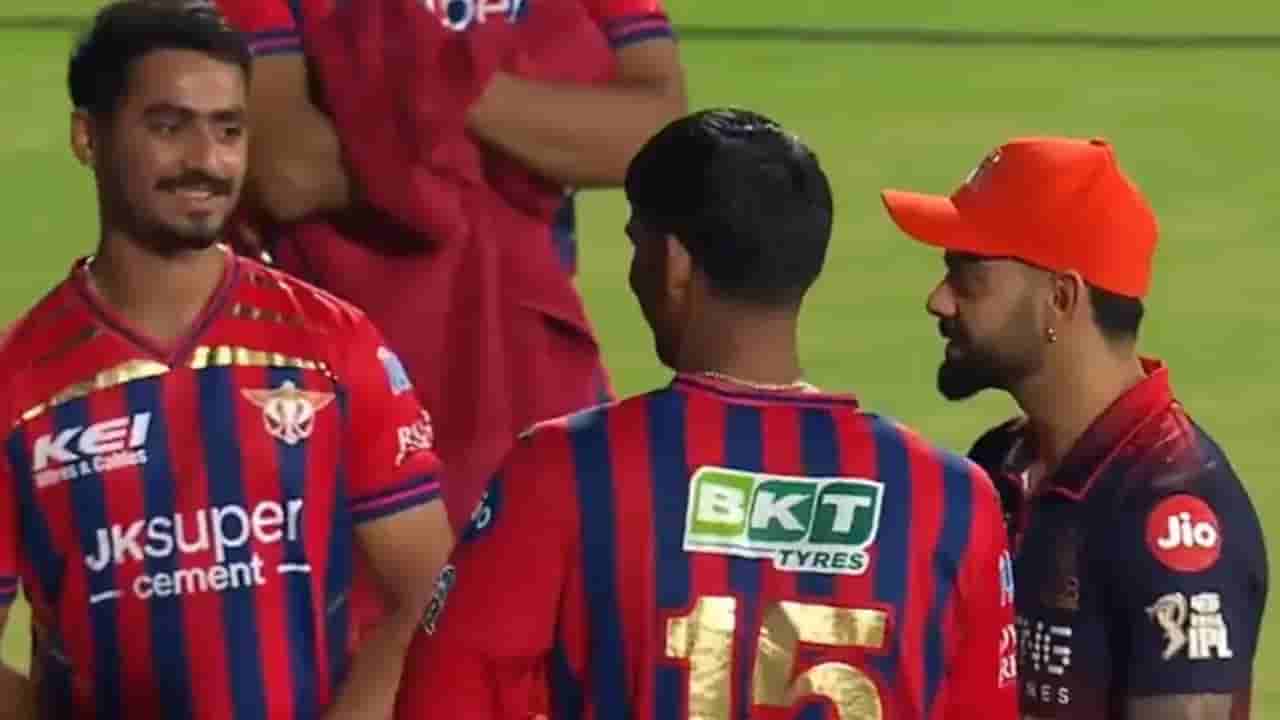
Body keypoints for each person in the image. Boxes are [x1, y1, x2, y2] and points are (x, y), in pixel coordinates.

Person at [395, 109, 1020, 720]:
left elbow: (442, 702)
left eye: (636, 243)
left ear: (673, 263)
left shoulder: (565, 471)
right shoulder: (953, 498)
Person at [0, 2, 453, 717]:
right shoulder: (18, 381)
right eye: (168, 126)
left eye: (228, 130)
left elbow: (427, 590)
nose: (206, 162)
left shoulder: (333, 344)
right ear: (89, 136)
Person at [212, 0, 687, 531]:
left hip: (532, 373)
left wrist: (438, 84)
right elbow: (287, 170)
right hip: (333, 383)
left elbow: (658, 136)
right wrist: (517, 135)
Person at [881, 136, 1268, 719]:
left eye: (967, 276)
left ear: (1060, 298)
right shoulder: (999, 462)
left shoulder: (1173, 511)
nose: (939, 301)